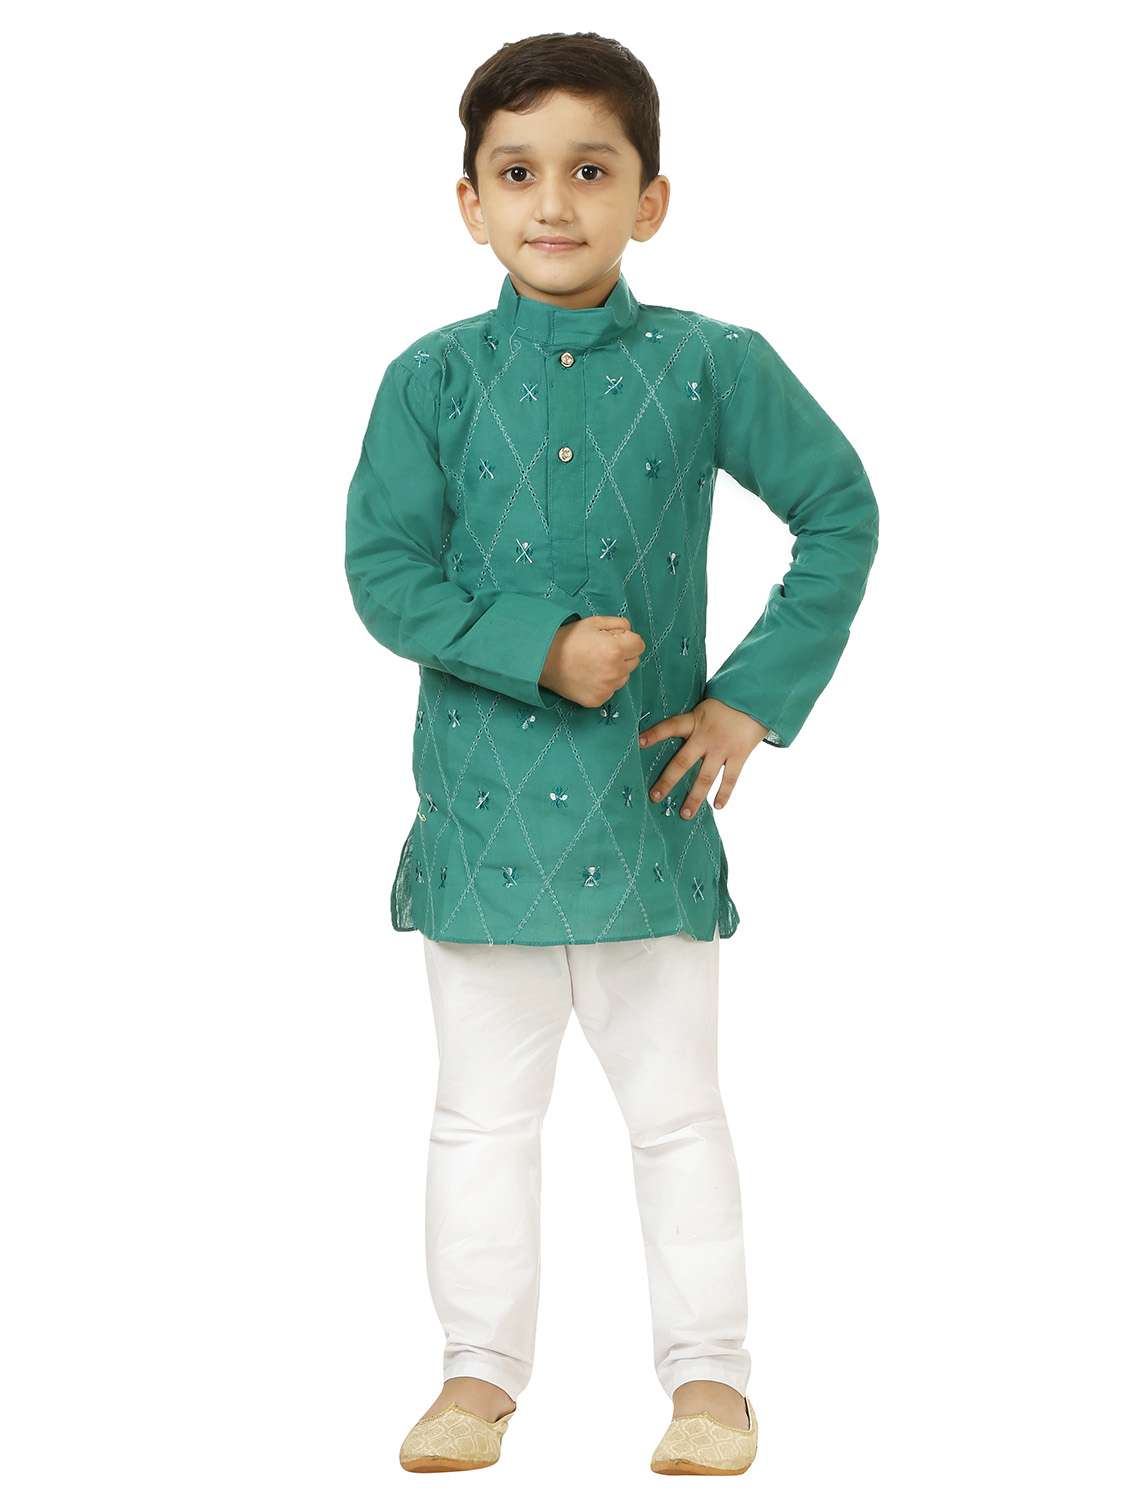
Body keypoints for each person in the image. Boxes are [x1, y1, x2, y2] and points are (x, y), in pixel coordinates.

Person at [344, 30, 879, 1476]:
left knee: (677, 1116)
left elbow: (839, 510)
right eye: (517, 173)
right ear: (469, 204)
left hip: (650, 809)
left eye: (591, 171)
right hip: (482, 821)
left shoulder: (710, 365)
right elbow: (384, 576)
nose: (553, 203)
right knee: (478, 1120)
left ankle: (710, 1383)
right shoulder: (432, 380)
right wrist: (539, 646)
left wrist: (748, 700)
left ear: (651, 199)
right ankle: (476, 1377)